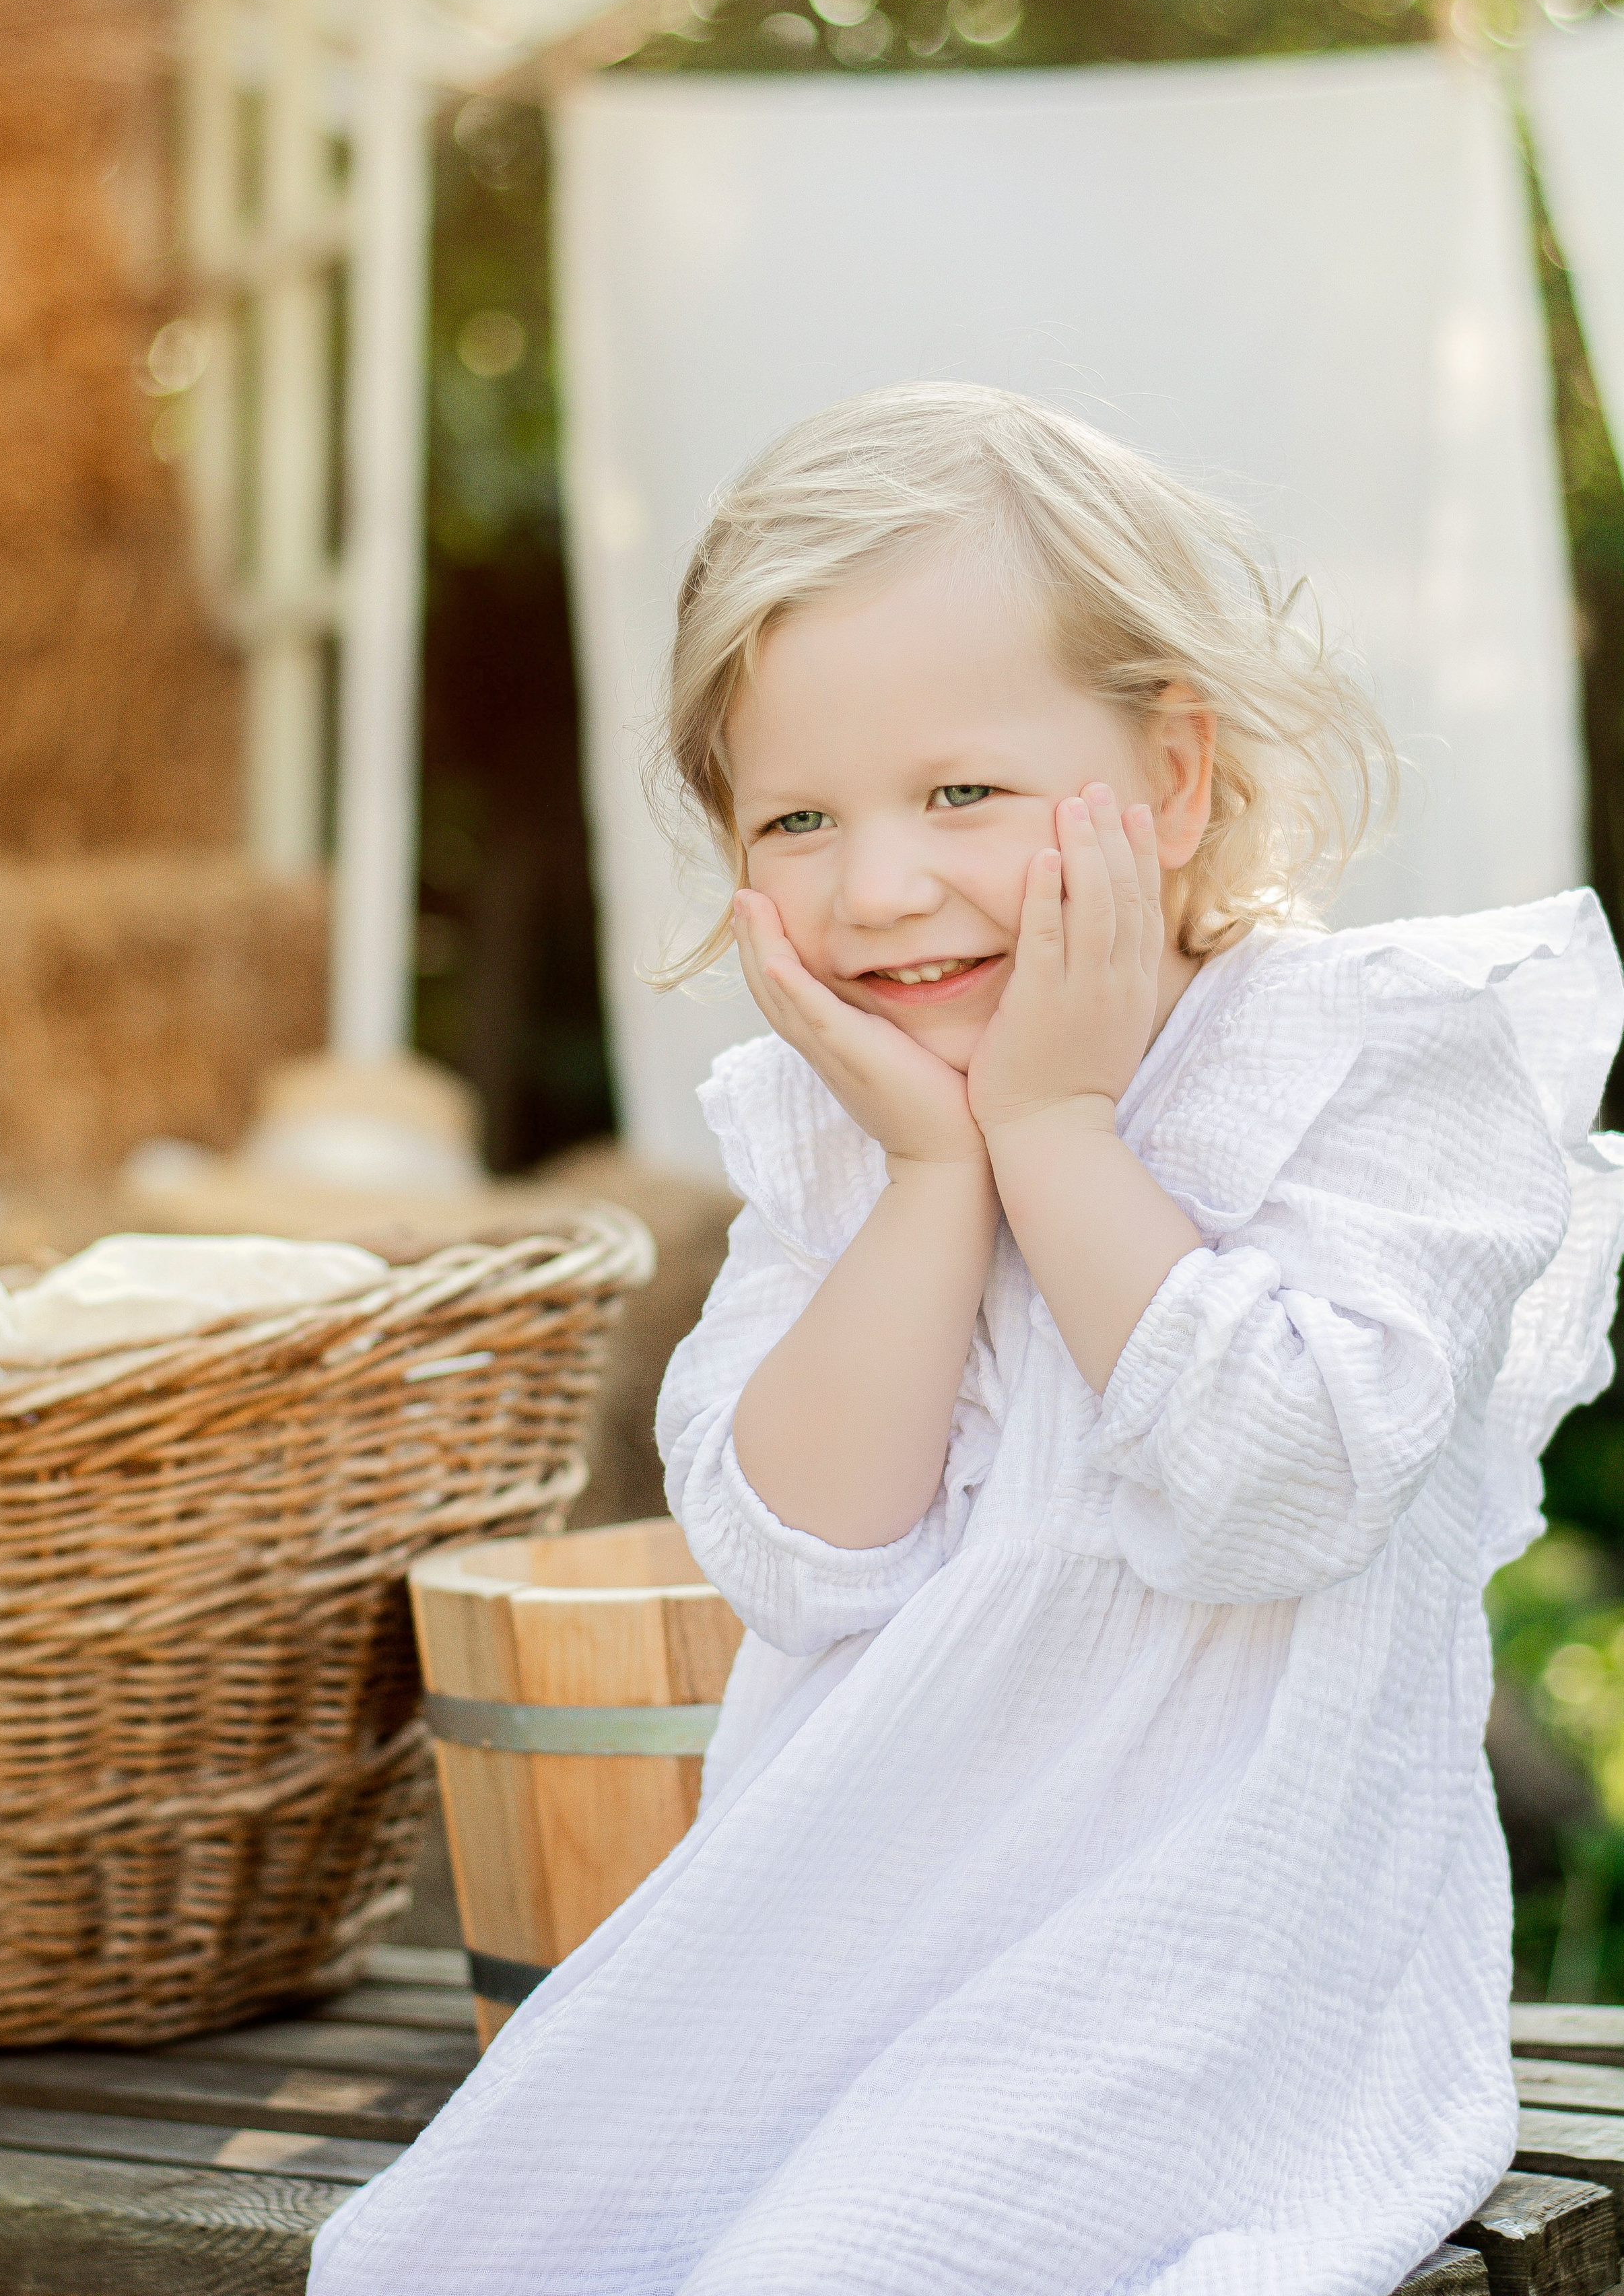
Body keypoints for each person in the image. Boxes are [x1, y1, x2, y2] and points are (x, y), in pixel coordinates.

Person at [310, 384, 1624, 2294]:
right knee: (443, 2258)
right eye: (797, 821)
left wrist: (1057, 1134)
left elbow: (1279, 1492)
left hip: (1208, 1969)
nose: (880, 888)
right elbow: (802, 1559)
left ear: (1172, 780)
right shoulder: (843, 1139)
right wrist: (937, 1172)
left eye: (962, 796)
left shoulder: (1378, 1068)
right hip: (845, 1931)